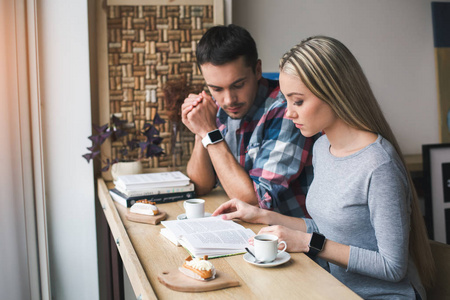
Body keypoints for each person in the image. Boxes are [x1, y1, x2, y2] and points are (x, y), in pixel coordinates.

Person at [212, 36, 435, 299]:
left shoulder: (379, 165)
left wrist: (308, 243)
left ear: (334, 93)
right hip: (334, 290)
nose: (288, 113)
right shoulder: (321, 148)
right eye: (286, 100)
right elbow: (326, 227)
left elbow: (392, 266)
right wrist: (261, 215)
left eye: (298, 101)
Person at [181, 25, 319, 217]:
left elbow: (255, 203)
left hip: (291, 237)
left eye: (238, 85)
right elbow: (200, 186)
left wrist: (210, 133)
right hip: (249, 231)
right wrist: (201, 130)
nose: (228, 100)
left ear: (257, 69)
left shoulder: (286, 109)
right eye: (217, 89)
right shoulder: (216, 108)